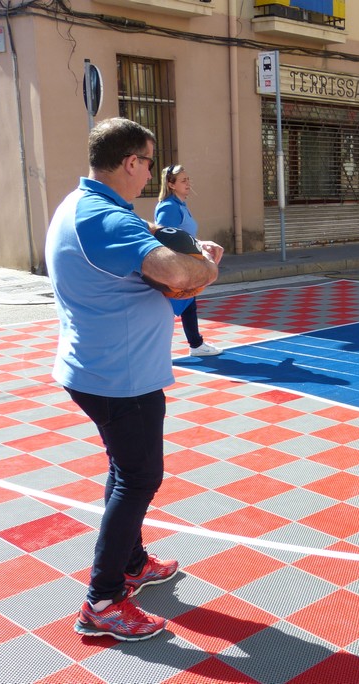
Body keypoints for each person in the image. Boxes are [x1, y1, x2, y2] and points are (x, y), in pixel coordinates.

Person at [45, 118, 223, 641]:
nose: (150, 173)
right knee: (139, 478)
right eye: (148, 162)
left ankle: (132, 563)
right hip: (121, 378)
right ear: (130, 162)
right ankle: (102, 600)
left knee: (125, 470)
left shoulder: (81, 205)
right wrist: (207, 264)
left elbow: (142, 243)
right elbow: (181, 275)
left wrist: (173, 245)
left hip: (98, 367)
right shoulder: (106, 219)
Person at [155, 164, 222, 357]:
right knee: (168, 308)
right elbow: (166, 237)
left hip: (186, 265)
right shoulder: (169, 208)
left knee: (188, 302)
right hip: (176, 267)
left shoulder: (180, 206)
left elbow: (184, 235)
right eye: (183, 180)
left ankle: (196, 344)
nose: (188, 183)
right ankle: (157, 352)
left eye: (188, 179)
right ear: (171, 184)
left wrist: (200, 244)